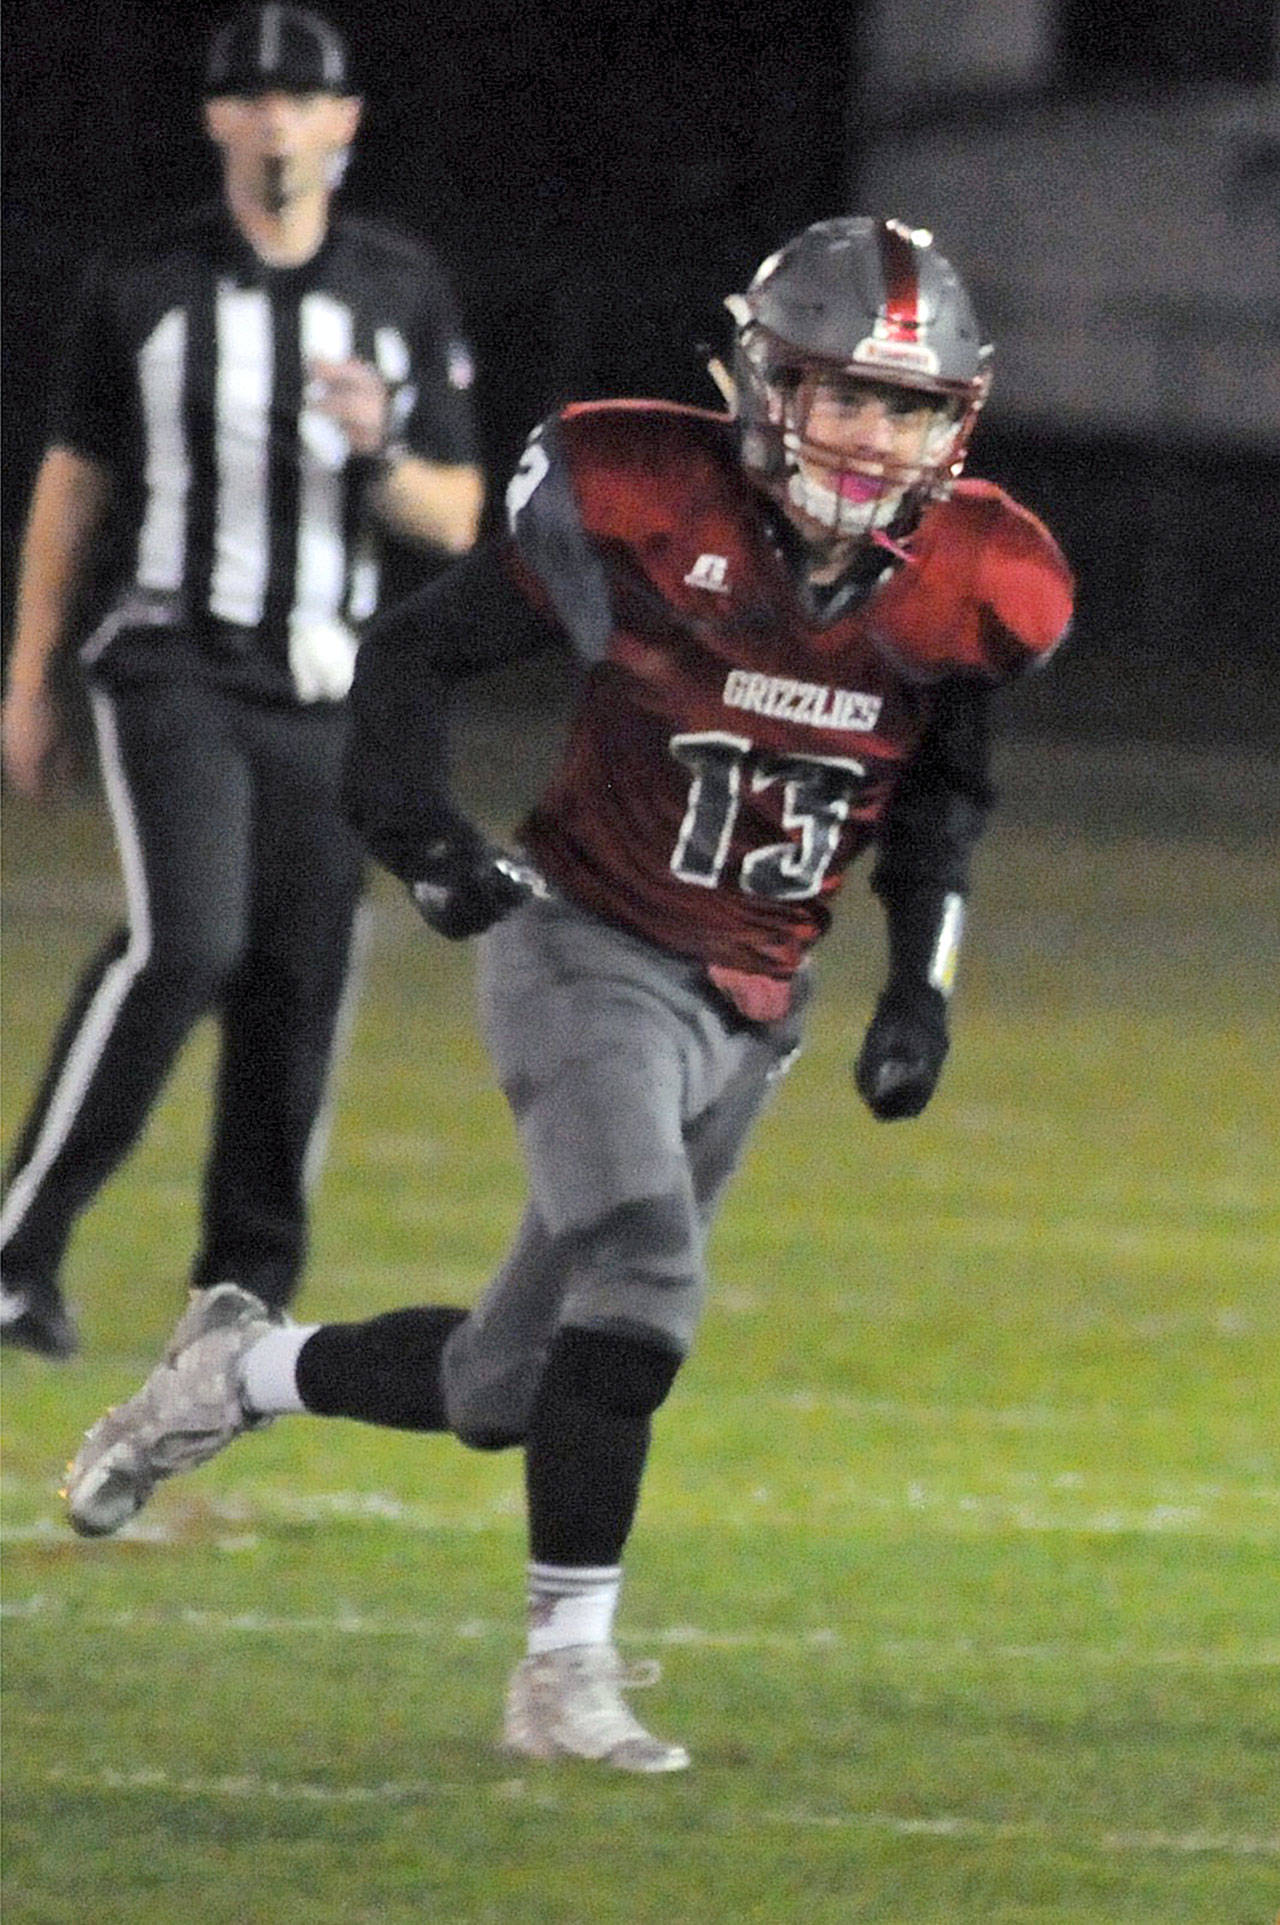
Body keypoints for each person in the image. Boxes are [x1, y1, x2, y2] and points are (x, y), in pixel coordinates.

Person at [63, 218, 1074, 1771]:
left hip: (755, 1004)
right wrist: (428, 846)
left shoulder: (972, 582)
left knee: (505, 1384)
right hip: (587, 944)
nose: (875, 439)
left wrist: (916, 989)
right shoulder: (647, 502)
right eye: (843, 397)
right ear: (762, 386)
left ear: (960, 419)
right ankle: (562, 1672)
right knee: (648, 1275)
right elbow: (410, 661)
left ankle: (234, 1366)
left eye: (910, 407)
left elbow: (941, 804)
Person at [1, 5, 483, 1358]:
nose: (277, 120)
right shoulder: (145, 281)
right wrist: (29, 673)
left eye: (302, 98)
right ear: (216, 119)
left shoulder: (397, 289)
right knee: (190, 941)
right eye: (252, 97)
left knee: (299, 973)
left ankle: (241, 1293)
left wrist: (377, 451)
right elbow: (73, 482)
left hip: (331, 683)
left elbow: (456, 516)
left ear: (346, 122)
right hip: (174, 658)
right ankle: (17, 1247)